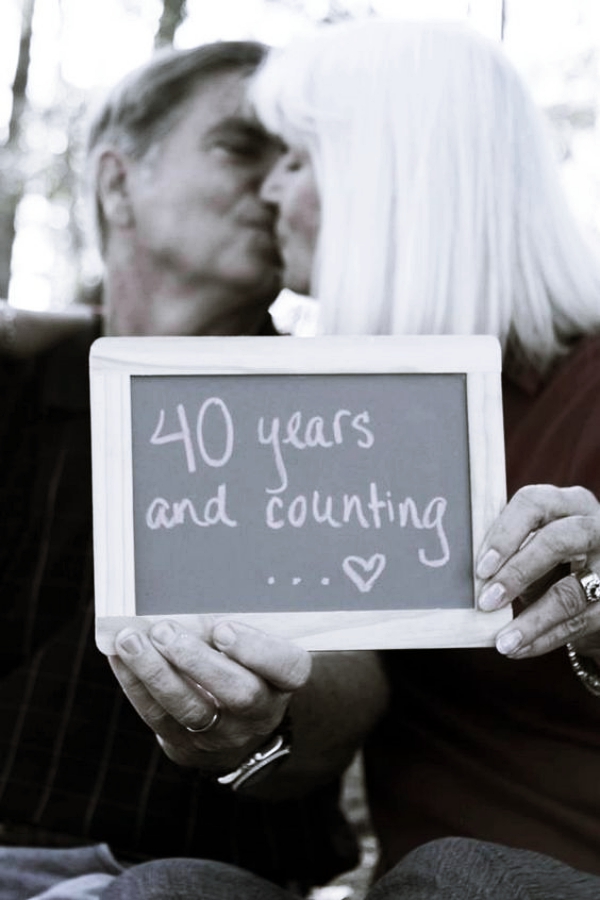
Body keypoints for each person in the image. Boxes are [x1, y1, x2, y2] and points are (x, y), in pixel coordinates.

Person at [106, 17, 600, 900]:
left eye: (295, 158)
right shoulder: (330, 418)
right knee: (169, 890)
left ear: (388, 179)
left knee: (467, 876)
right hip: (413, 881)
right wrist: (249, 714)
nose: (266, 191)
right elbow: (334, 685)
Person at [0, 40, 359, 900]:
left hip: (187, 873)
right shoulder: (21, 378)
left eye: (299, 158)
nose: (276, 185)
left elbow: (353, 685)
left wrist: (270, 713)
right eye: (241, 146)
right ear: (119, 183)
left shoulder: (332, 405)